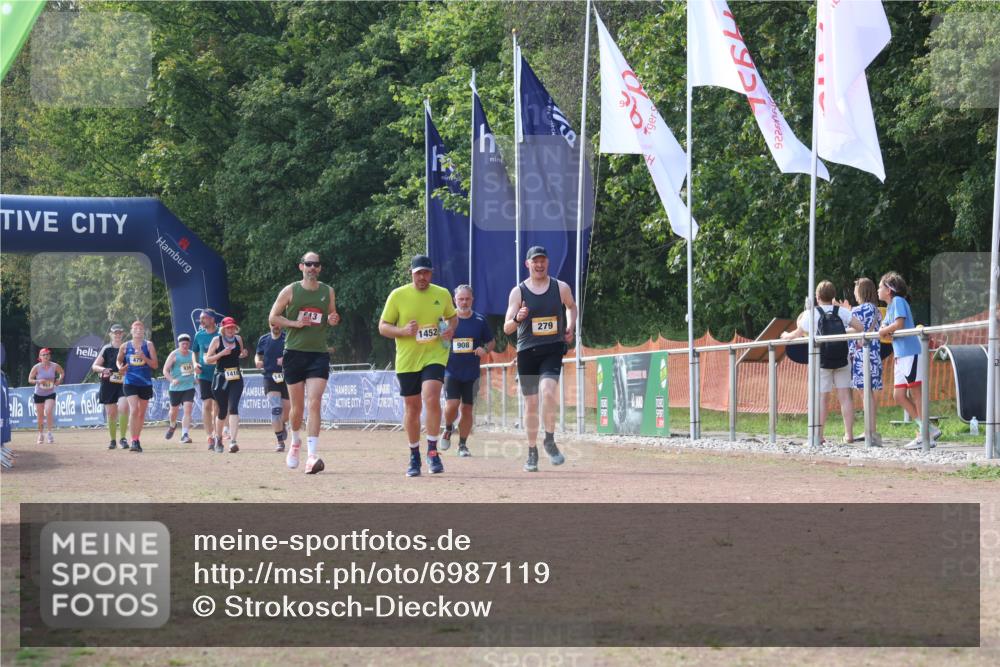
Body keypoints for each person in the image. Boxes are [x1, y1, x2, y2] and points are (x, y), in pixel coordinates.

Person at [378, 255, 457, 477]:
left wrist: (450, 329)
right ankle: (414, 454)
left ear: (431, 273)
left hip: (435, 355)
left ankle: (432, 451)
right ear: (411, 274)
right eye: (418, 273)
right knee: (412, 408)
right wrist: (402, 331)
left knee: (431, 396)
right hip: (408, 359)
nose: (422, 277)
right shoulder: (398, 295)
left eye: (426, 273)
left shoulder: (442, 294)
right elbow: (383, 326)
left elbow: (452, 317)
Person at [503, 246, 577, 472]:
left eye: (543, 260)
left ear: (548, 262)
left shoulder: (560, 287)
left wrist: (571, 326)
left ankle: (550, 440)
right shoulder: (518, 292)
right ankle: (532, 450)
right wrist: (518, 318)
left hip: (552, 349)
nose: (539, 264)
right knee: (532, 403)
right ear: (528, 264)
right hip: (527, 352)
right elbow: (507, 328)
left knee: (548, 391)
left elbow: (571, 307)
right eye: (535, 261)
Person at [268, 251, 340, 474]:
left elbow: (331, 317)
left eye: (316, 264)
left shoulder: (328, 291)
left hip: (318, 354)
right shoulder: (290, 290)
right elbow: (273, 317)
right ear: (301, 267)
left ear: (320, 268)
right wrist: (294, 323)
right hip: (294, 353)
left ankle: (312, 455)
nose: (312, 268)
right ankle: (295, 442)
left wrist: (333, 319)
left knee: (315, 402)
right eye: (308, 264)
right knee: (297, 408)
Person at [782, 280, 863, 444]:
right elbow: (860, 327)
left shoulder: (811, 313)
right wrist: (843, 332)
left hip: (821, 360)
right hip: (842, 358)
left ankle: (818, 436)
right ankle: (849, 434)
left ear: (817, 297)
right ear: (833, 296)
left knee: (822, 398)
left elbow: (797, 333)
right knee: (845, 397)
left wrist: (785, 335)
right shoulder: (841, 312)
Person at [878, 271, 941, 449]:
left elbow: (897, 325)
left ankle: (925, 435)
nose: (877, 290)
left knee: (916, 393)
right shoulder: (890, 307)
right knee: (898, 395)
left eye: (880, 287)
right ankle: (927, 428)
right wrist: (884, 330)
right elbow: (887, 330)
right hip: (900, 355)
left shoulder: (898, 301)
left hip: (910, 353)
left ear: (889, 290)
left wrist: (883, 331)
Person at [440, 284, 495, 457]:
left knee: (467, 409)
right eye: (460, 299)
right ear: (454, 300)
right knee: (452, 404)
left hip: (471, 373)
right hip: (451, 370)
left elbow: (491, 342)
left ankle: (462, 445)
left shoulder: (480, 320)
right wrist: (443, 343)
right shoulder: (446, 321)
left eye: (467, 299)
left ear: (472, 300)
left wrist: (484, 349)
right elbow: (439, 343)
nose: (464, 302)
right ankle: (448, 427)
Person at [836, 278, 884, 446]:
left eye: (856, 291)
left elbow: (853, 327)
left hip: (861, 355)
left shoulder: (861, 309)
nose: (855, 294)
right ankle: (871, 429)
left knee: (865, 394)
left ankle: (870, 431)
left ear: (862, 292)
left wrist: (841, 327)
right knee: (869, 393)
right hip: (874, 354)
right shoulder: (875, 310)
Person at [204, 317, 248, 453]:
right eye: (228, 328)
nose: (231, 330)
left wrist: (243, 354)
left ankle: (233, 441)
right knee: (222, 411)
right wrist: (221, 354)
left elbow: (239, 354)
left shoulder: (238, 339)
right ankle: (218, 438)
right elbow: (207, 359)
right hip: (221, 379)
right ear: (223, 329)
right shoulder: (216, 340)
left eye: (233, 327)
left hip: (236, 378)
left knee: (233, 407)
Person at [116, 321, 158, 452]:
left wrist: (143, 357)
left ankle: (136, 439)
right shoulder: (124, 346)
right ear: (131, 331)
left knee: (141, 413)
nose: (138, 331)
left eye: (140, 329)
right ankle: (133, 441)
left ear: (144, 331)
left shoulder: (149, 345)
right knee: (134, 410)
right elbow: (119, 360)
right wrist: (120, 367)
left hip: (145, 383)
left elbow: (155, 365)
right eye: (135, 329)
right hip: (130, 382)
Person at [93, 324, 130, 449]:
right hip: (108, 383)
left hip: (123, 382)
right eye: (115, 333)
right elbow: (95, 366)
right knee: (111, 413)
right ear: (111, 334)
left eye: (120, 333)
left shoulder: (127, 348)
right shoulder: (106, 349)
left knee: (124, 408)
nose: (117, 335)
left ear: (123, 334)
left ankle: (123, 439)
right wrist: (103, 370)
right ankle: (113, 440)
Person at [256, 324, 290, 452]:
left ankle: (282, 424)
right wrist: (257, 361)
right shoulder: (263, 339)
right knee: (276, 409)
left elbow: (296, 354)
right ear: (269, 324)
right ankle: (280, 441)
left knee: (287, 412)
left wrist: (286, 359)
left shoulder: (288, 338)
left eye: (278, 324)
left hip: (287, 377)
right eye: (273, 324)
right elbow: (258, 355)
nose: (276, 326)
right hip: (270, 377)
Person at [192, 309, 220, 451]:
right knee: (207, 404)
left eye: (204, 318)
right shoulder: (199, 335)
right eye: (200, 318)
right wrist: (195, 364)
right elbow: (194, 352)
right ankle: (209, 436)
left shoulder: (221, 333)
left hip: (219, 373)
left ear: (212, 319)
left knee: (217, 406)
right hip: (204, 374)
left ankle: (217, 434)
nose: (201, 320)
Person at [163, 333, 196, 443]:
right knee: (173, 412)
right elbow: (165, 370)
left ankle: (184, 435)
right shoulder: (174, 354)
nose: (185, 346)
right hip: (175, 388)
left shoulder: (192, 354)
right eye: (183, 344)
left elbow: (196, 367)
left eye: (187, 344)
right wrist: (172, 380)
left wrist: (197, 377)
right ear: (179, 344)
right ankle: (173, 425)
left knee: (188, 410)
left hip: (189, 386)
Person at [27, 348, 64, 444]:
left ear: (50, 356)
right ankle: (40, 434)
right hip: (38, 394)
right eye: (44, 355)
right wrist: (38, 381)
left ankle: (50, 433)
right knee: (40, 416)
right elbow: (30, 379)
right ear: (40, 357)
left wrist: (59, 380)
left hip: (50, 393)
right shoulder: (36, 367)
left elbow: (62, 373)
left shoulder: (54, 366)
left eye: (47, 354)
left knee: (48, 411)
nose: (46, 356)